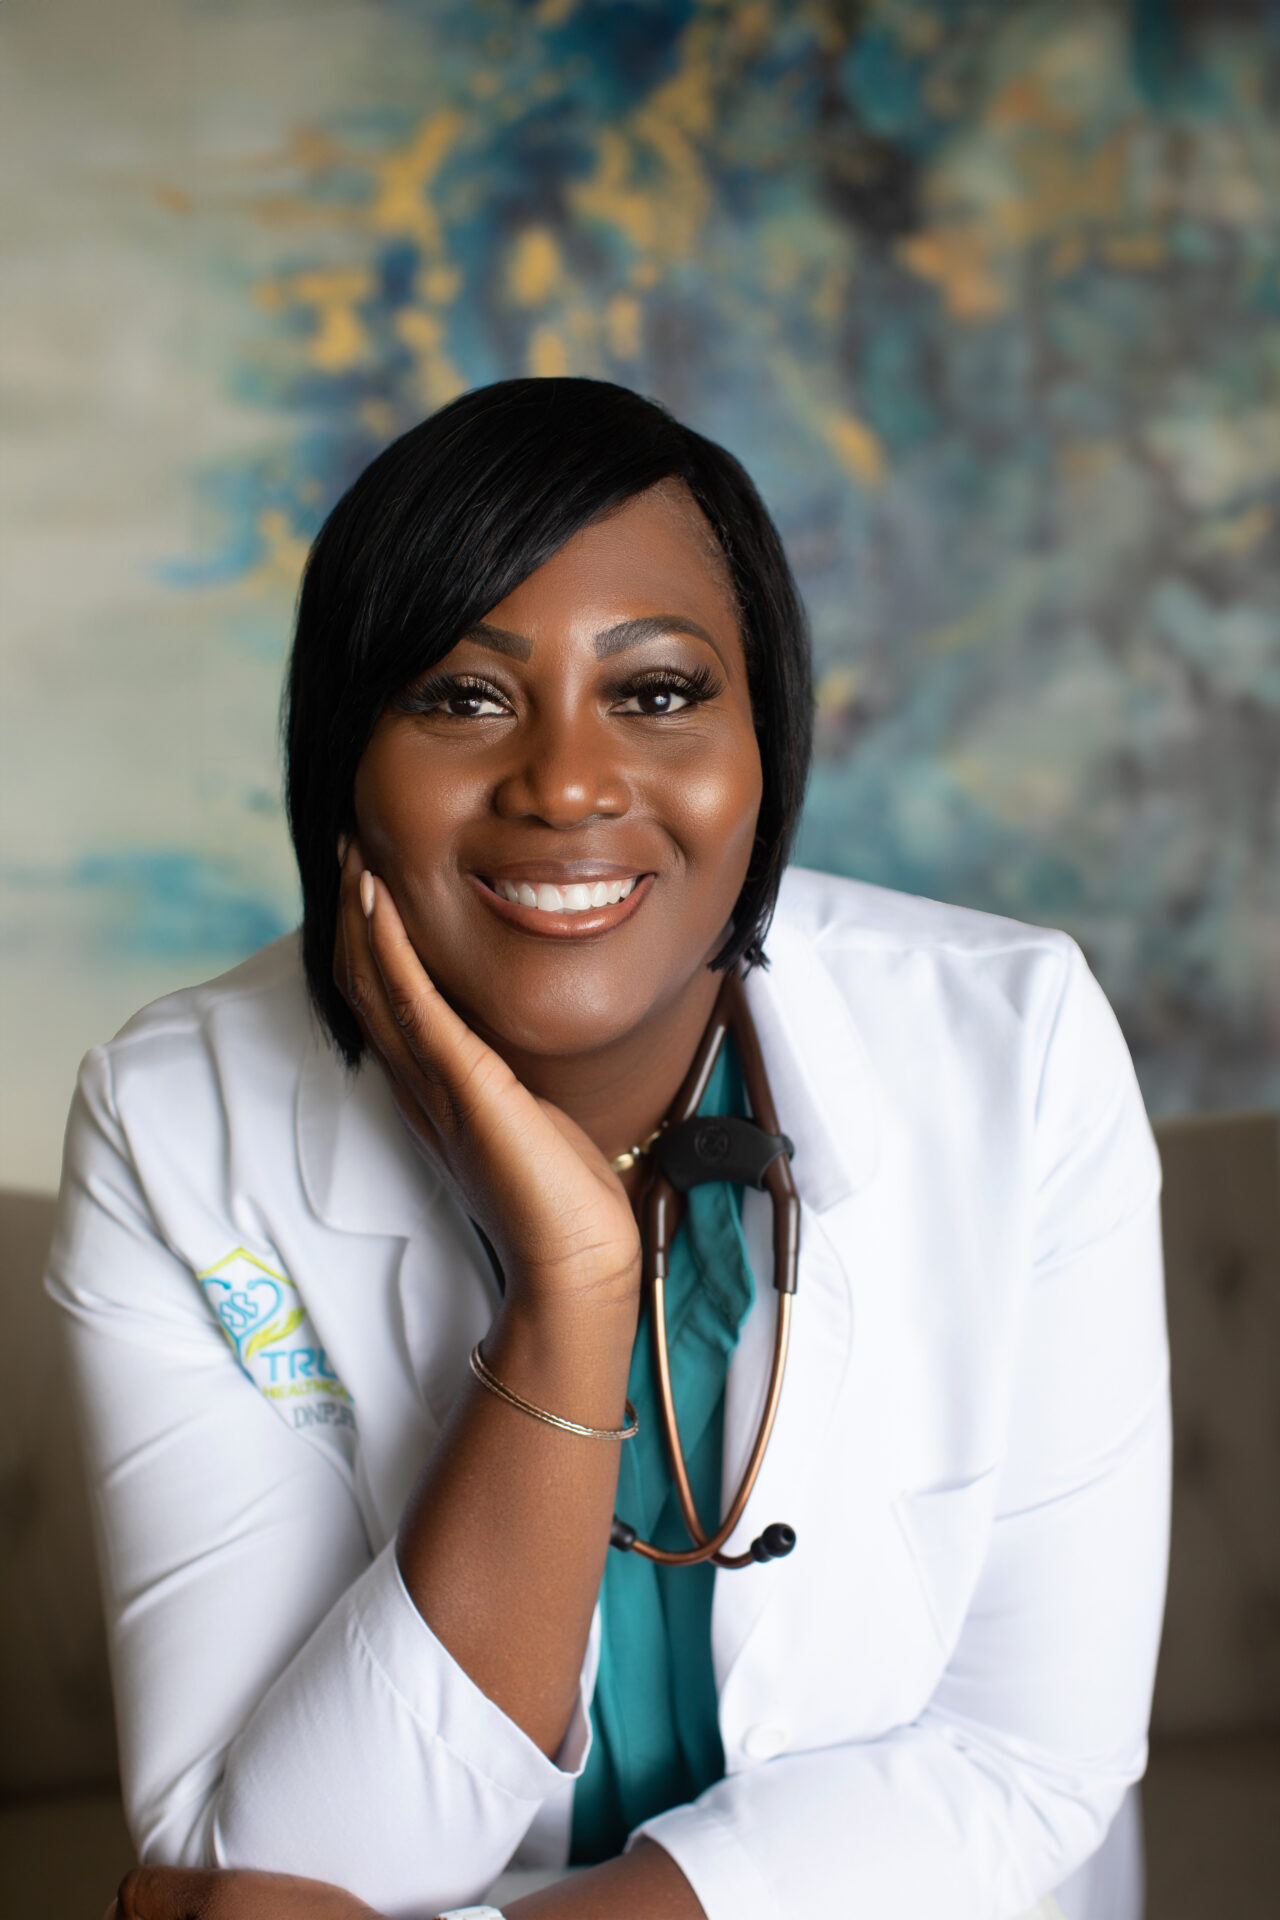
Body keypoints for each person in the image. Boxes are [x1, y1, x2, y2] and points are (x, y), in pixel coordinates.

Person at [49, 379, 1170, 1920]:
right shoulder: (176, 1124)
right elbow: (250, 1860)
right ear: (342, 769)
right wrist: (569, 1297)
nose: (566, 784)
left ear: (765, 747)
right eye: (461, 695)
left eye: (654, 692)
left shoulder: (1015, 1046)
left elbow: (1025, 1763)